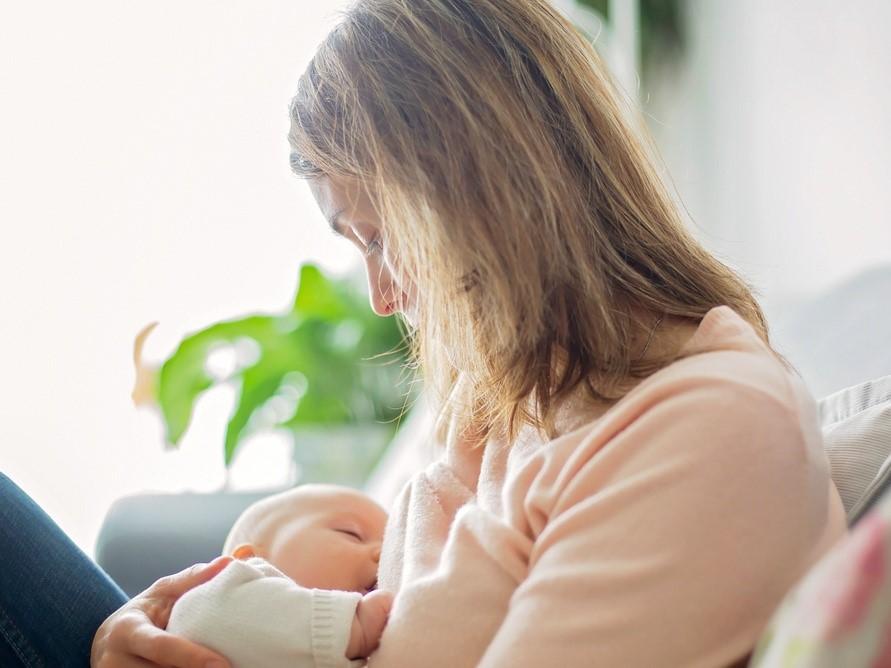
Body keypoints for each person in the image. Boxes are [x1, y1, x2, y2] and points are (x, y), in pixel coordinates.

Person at [0, 1, 846, 666]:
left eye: (381, 236)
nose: (379, 295)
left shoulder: (699, 435)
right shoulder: (519, 403)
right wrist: (140, 629)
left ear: (486, 194)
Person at [166, 484, 392, 668]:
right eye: (351, 533)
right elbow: (205, 617)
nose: (384, 553)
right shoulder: (212, 601)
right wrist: (354, 627)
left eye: (391, 544)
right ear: (248, 559)